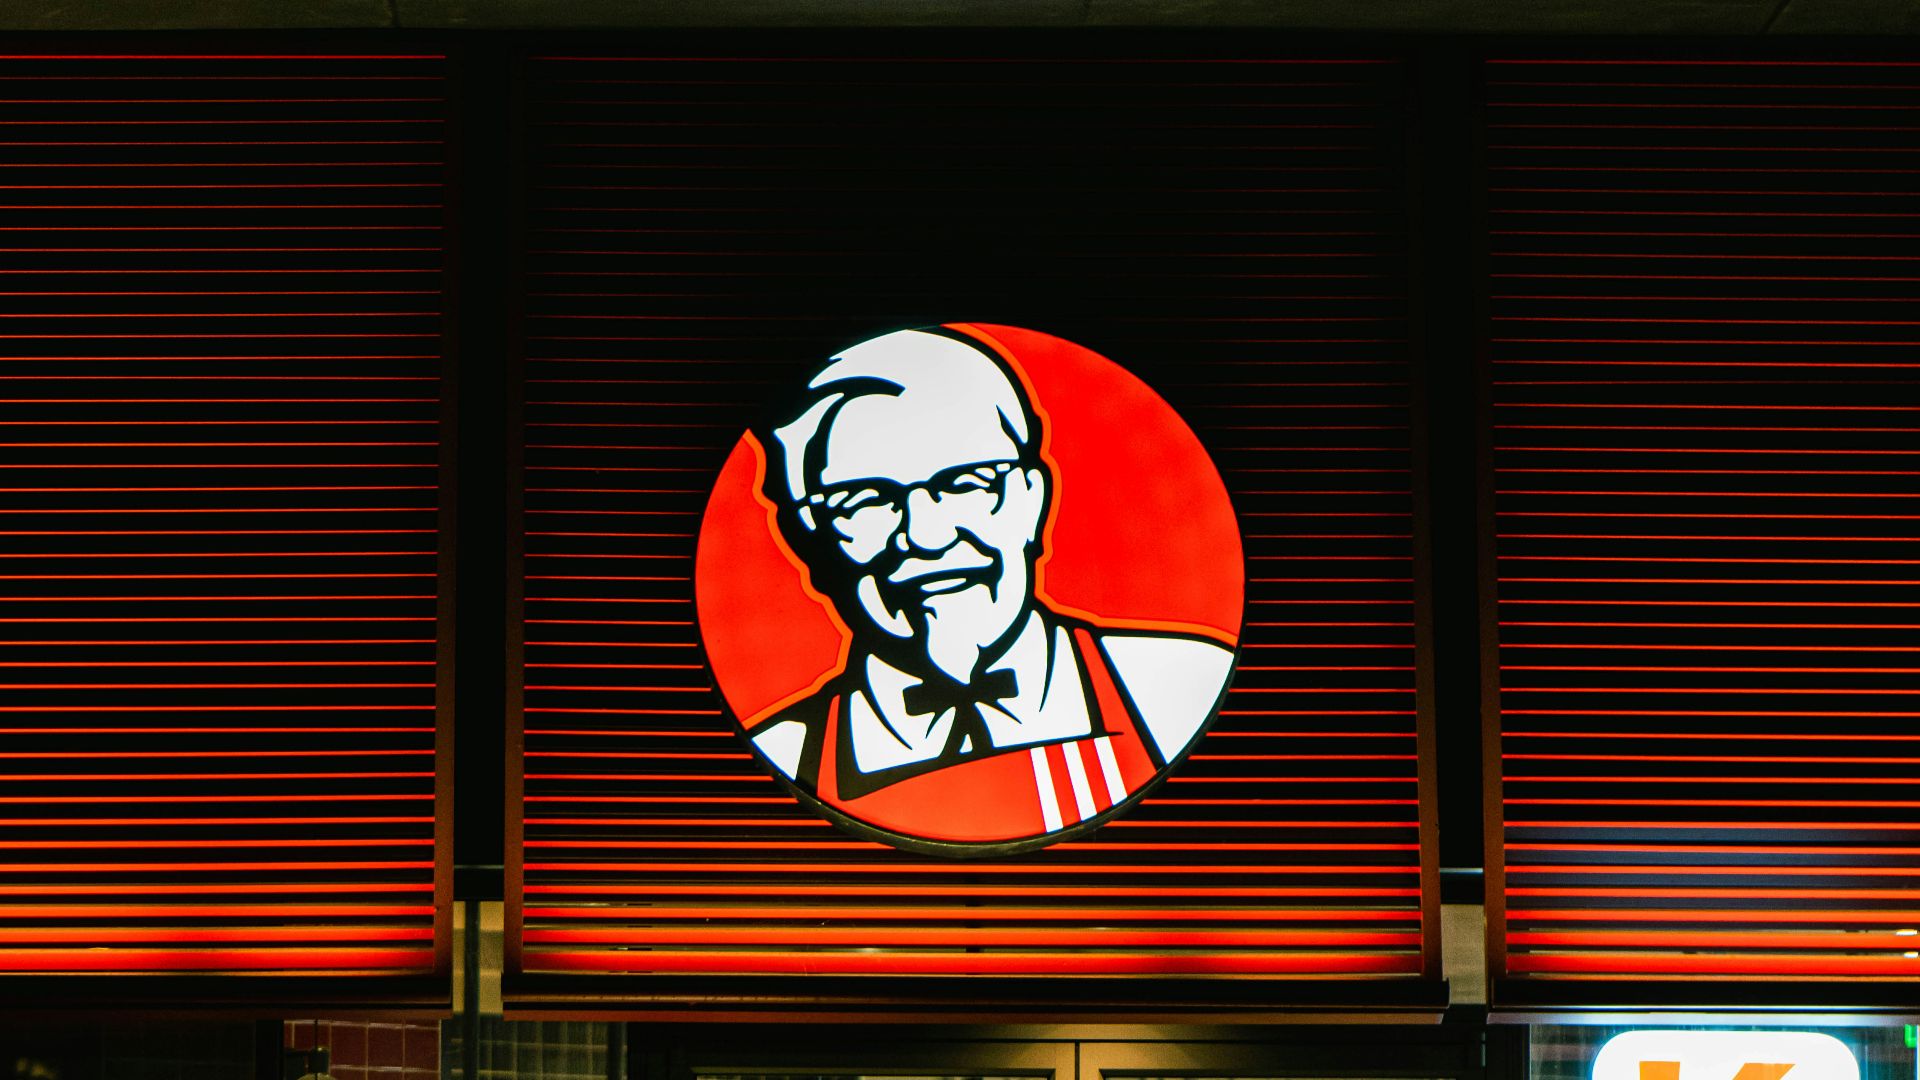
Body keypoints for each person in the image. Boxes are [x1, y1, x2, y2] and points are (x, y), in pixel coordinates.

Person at [747, 325, 1235, 851]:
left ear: (1032, 499)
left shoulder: (1172, 688)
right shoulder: (783, 752)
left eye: (965, 484)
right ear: (808, 541)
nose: (927, 536)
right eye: (866, 501)